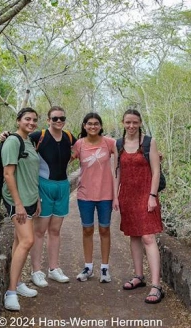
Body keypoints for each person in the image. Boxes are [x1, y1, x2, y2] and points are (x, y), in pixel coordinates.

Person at [115, 109, 164, 304]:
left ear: (140, 122)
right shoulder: (119, 144)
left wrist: (152, 195)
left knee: (148, 237)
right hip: (127, 195)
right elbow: (117, 171)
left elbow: (156, 170)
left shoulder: (148, 142)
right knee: (134, 235)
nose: (131, 126)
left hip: (146, 195)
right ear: (123, 122)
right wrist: (115, 196)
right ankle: (138, 276)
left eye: (135, 122)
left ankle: (156, 285)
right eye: (128, 122)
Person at [28, 106, 77, 288]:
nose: (58, 121)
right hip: (44, 186)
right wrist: (4, 136)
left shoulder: (69, 137)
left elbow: (91, 144)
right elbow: (17, 140)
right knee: (39, 231)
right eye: (55, 118)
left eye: (61, 118)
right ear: (48, 120)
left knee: (55, 230)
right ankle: (36, 271)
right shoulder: (38, 136)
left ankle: (54, 269)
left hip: (63, 186)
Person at [2, 107, 41, 312]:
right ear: (18, 120)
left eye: (34, 119)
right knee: (28, 241)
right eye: (27, 119)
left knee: (19, 242)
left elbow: (31, 172)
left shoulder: (30, 142)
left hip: (30, 198)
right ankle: (10, 292)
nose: (31, 122)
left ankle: (17, 283)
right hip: (17, 200)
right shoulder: (12, 141)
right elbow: (8, 174)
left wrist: (37, 199)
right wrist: (18, 204)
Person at [72, 112, 119, 283]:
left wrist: (153, 153)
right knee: (87, 230)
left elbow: (129, 148)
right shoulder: (79, 144)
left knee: (105, 229)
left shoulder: (109, 143)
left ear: (100, 126)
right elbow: (61, 158)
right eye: (89, 123)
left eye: (96, 123)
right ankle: (88, 267)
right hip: (85, 194)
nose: (93, 126)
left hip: (106, 194)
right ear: (84, 126)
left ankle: (105, 269)